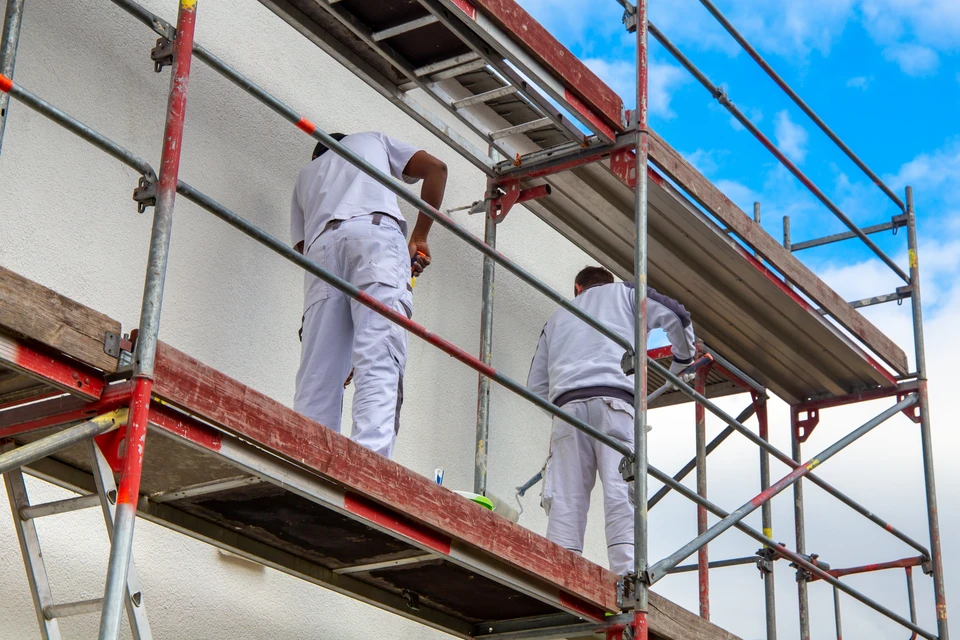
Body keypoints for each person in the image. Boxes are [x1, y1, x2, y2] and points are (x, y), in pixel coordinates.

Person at [526, 266, 696, 575]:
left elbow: (535, 386)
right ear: (608, 283)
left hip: (567, 411)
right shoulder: (627, 293)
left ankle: (560, 575)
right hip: (614, 403)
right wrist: (682, 363)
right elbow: (678, 316)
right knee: (621, 490)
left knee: (566, 498)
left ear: (578, 288)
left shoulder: (557, 317)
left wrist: (563, 412)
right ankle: (628, 576)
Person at [291, 132, 447, 459]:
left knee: (319, 370)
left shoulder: (305, 177)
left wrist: (339, 342)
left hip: (320, 250)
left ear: (317, 155)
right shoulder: (370, 140)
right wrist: (419, 236)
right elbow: (437, 169)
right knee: (378, 353)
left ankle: (306, 459)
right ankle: (368, 463)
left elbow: (305, 252)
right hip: (375, 237)